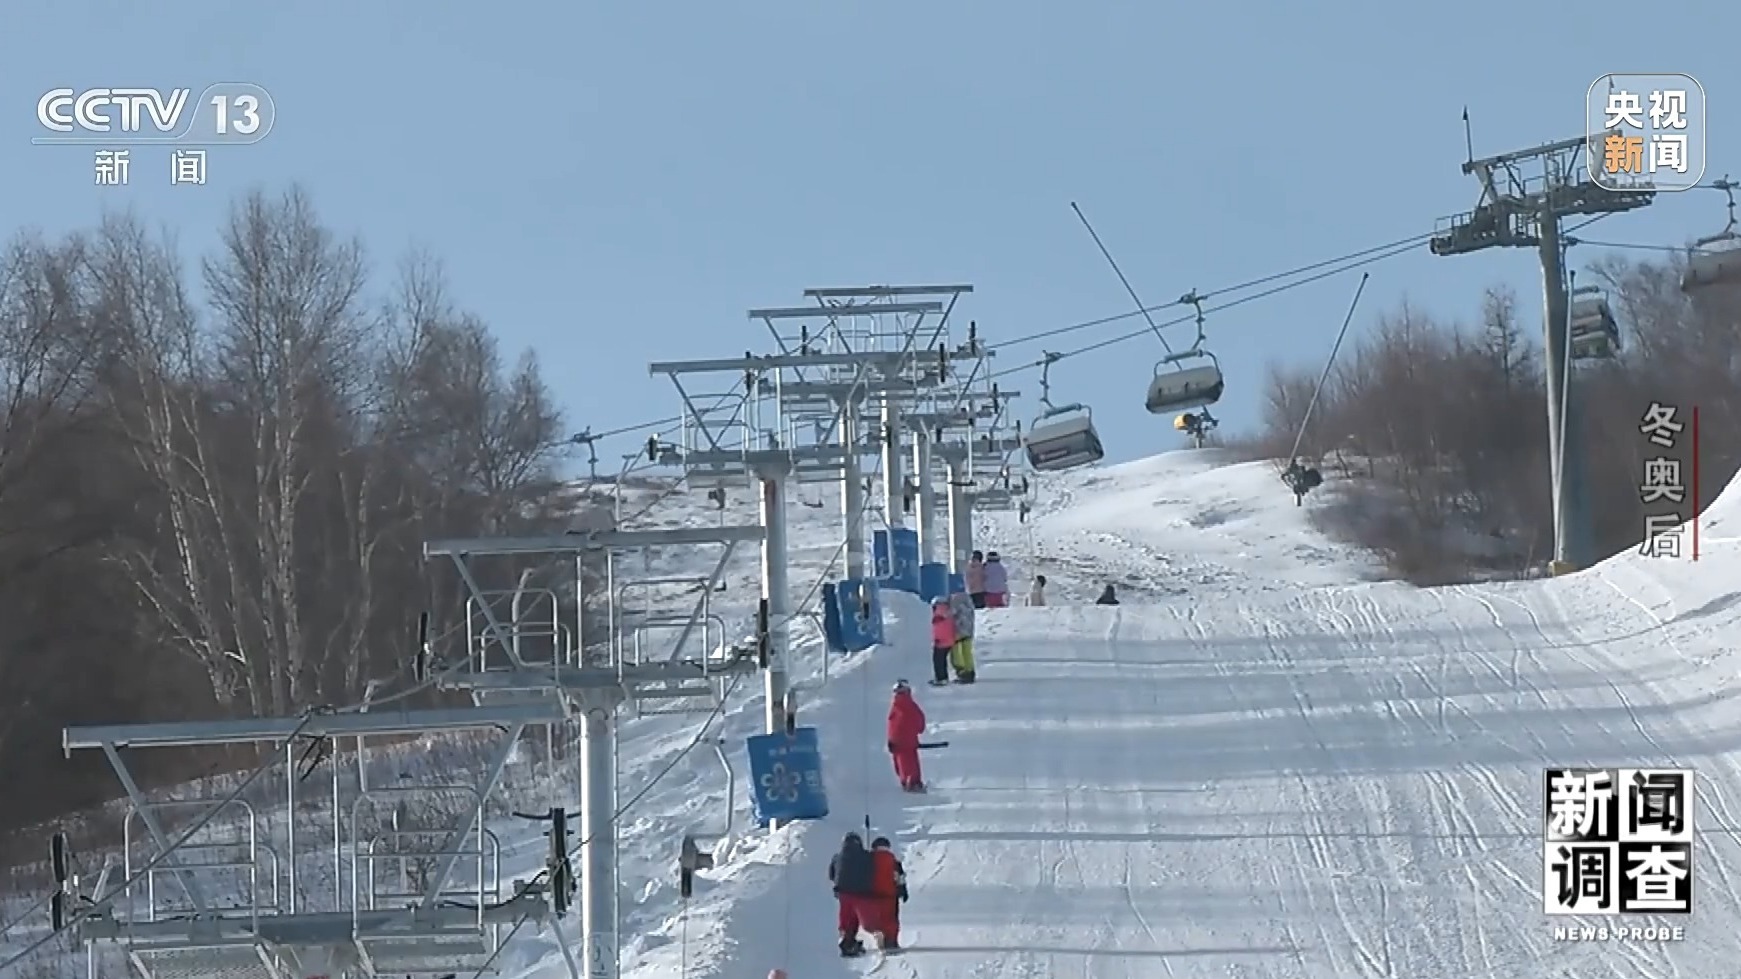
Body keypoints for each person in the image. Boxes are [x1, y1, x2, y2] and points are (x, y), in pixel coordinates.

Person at [828, 832, 880, 957]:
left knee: (845, 914)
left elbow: (831, 874)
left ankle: (846, 938)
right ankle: (849, 942)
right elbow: (871, 871)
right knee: (854, 917)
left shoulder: (837, 857)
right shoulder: (865, 856)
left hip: (842, 891)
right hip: (859, 891)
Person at [869, 836, 909, 951]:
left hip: (873, 895)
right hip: (890, 895)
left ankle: (879, 935)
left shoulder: (869, 860)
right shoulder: (894, 862)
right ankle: (891, 941)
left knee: (877, 918)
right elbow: (900, 878)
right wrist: (903, 891)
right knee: (891, 919)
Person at [887, 680, 927, 792]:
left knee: (901, 763)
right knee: (911, 762)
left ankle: (907, 781)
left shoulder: (895, 707)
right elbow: (920, 722)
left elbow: (891, 725)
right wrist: (919, 729)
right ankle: (913, 782)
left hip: (896, 742)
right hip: (909, 742)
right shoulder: (912, 706)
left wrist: (891, 739)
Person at [947, 587, 977, 683]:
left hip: (959, 630)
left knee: (957, 651)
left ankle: (962, 671)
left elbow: (952, 613)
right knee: (967, 651)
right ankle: (970, 670)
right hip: (968, 629)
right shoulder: (968, 599)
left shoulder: (955, 600)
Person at [928, 600, 956, 687]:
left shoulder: (938, 616)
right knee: (943, 660)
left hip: (941, 642)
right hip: (949, 640)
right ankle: (944, 677)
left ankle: (941, 678)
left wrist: (937, 639)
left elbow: (939, 629)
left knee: (938, 661)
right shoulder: (948, 613)